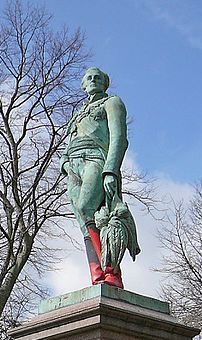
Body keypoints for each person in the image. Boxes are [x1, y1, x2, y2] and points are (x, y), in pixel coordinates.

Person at [61, 67, 139, 288]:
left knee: (87, 206)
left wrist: (111, 170)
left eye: (98, 77)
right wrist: (64, 163)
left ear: (105, 83)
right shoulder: (79, 112)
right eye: (89, 77)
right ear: (83, 84)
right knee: (83, 222)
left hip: (96, 158)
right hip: (73, 164)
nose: (93, 80)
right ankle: (100, 276)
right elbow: (70, 140)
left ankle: (111, 271)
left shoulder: (112, 103)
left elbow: (119, 138)